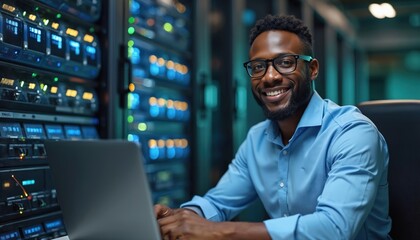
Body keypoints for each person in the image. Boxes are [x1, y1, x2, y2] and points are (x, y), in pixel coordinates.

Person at [154, 14, 392, 240]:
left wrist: (217, 232)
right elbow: (218, 202)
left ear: (312, 69)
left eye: (285, 63)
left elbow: (334, 228)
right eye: (258, 67)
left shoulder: (352, 133)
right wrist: (180, 218)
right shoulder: (257, 139)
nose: (269, 77)